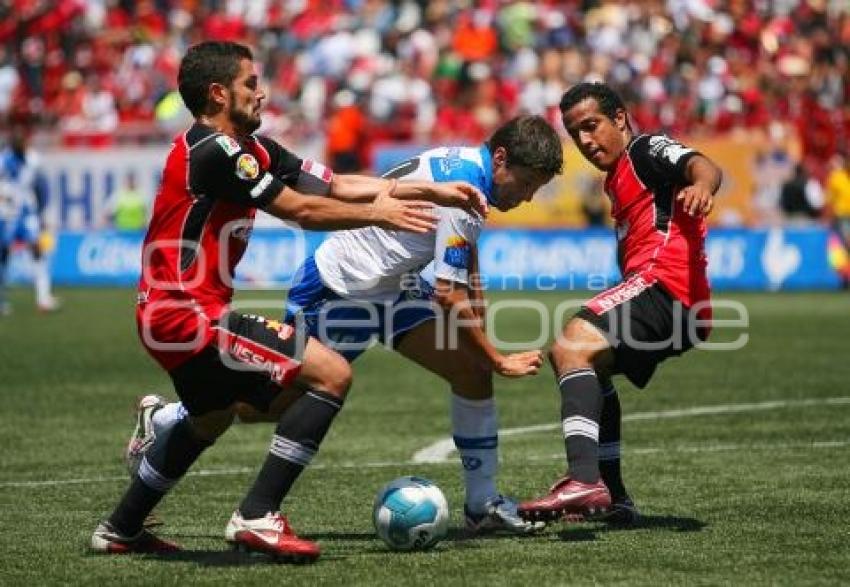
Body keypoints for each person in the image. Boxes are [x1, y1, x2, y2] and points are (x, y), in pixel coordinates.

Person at [90, 41, 486, 561]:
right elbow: (302, 210)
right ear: (218, 93)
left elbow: (339, 184)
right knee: (330, 374)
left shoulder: (253, 150)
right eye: (251, 83)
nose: (263, 91)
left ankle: (121, 527)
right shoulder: (214, 150)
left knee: (212, 418)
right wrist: (380, 214)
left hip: (171, 316)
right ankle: (257, 515)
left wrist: (428, 191)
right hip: (186, 314)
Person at [125, 115, 563, 536]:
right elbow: (448, 293)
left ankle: (481, 504)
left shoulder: (464, 167)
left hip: (390, 290)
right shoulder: (467, 191)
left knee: (470, 371)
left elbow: (463, 254)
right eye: (526, 184)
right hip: (338, 290)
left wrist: (480, 321)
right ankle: (169, 417)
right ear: (502, 159)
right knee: (273, 402)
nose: (526, 197)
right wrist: (498, 357)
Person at [517, 82, 721, 524]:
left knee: (571, 345)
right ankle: (612, 496)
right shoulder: (617, 179)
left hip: (668, 288)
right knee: (593, 367)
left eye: (592, 126)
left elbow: (700, 165)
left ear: (620, 119)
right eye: (576, 134)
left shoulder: (645, 149)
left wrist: (703, 186)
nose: (586, 141)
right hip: (672, 298)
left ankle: (584, 478)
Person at [0, 127, 59, 315]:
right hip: (7, 213)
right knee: (4, 254)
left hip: (27, 213)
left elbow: (40, 186)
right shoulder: (3, 160)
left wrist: (42, 212)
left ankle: (43, 298)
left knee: (37, 250)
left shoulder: (33, 159)